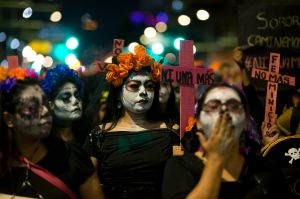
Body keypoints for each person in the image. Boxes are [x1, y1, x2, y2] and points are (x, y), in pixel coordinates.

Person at [162, 82, 290, 199]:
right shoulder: (179, 167)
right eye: (213, 106)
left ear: (245, 121)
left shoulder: (267, 171)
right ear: (199, 122)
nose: (224, 111)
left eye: (234, 106)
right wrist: (216, 159)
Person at [84, 45, 176, 199]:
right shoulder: (98, 135)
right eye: (134, 86)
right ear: (119, 94)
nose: (143, 92)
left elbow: (178, 180)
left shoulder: (172, 131)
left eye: (149, 86)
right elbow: (88, 182)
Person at [0, 66, 103, 198]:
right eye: (32, 107)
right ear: (9, 119)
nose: (44, 111)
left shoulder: (73, 159)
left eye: (44, 104)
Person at [42, 64, 83, 143]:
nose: (75, 101)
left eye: (77, 96)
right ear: (51, 105)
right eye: (65, 98)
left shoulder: (88, 138)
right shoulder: (43, 143)